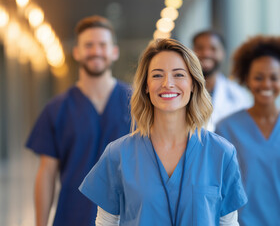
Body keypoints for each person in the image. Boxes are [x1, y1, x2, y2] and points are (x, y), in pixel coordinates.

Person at [79, 38, 247, 225]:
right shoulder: (118, 153)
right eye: (158, 75)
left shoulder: (221, 152)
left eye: (179, 75)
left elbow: (228, 223)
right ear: (146, 86)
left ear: (193, 84)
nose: (168, 83)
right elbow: (106, 222)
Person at [26, 15, 131, 226]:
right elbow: (46, 173)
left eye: (102, 45)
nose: (96, 51)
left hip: (128, 217)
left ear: (114, 52)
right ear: (76, 52)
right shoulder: (56, 109)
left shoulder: (137, 104)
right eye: (88, 45)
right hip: (73, 216)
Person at [215, 35, 280, 226]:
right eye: (258, 77)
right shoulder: (226, 128)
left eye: (274, 78)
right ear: (246, 79)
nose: (266, 84)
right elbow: (220, 187)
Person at [192, 30, 252, 131]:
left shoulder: (238, 95)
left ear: (223, 53)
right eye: (200, 48)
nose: (206, 53)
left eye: (213, 49)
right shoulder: (180, 92)